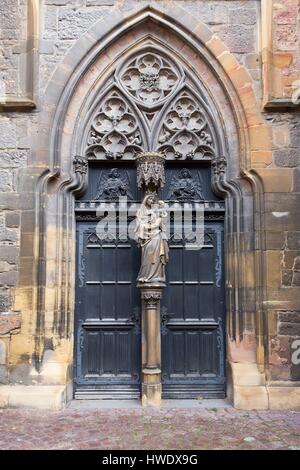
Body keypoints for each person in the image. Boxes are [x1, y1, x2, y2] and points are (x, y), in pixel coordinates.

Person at [135, 194, 169, 284]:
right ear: (146, 199)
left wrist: (163, 210)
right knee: (147, 257)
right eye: (149, 198)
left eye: (153, 199)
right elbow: (139, 224)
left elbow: (162, 223)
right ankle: (145, 275)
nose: (151, 201)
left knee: (155, 258)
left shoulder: (157, 213)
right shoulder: (141, 212)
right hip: (146, 238)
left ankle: (156, 276)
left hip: (156, 237)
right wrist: (145, 226)